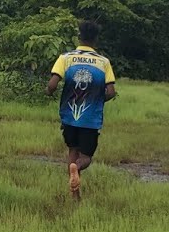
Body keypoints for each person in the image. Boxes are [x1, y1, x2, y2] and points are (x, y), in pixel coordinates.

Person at [45, 20, 117, 199]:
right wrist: (97, 100)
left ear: (79, 37)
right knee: (85, 157)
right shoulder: (103, 62)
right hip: (90, 119)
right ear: (96, 39)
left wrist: (48, 92)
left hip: (69, 116)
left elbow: (52, 84)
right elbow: (111, 92)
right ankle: (77, 168)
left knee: (73, 150)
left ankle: (75, 196)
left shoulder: (65, 58)